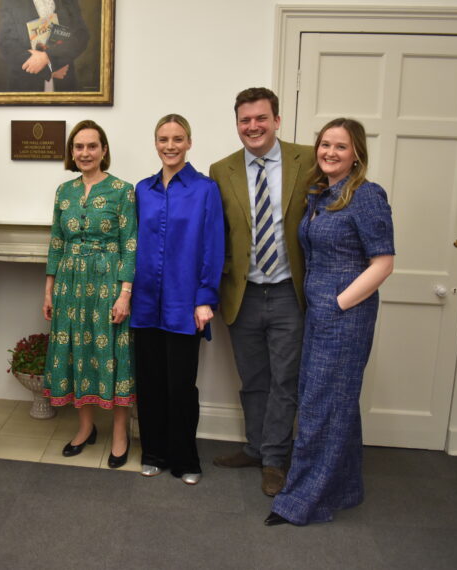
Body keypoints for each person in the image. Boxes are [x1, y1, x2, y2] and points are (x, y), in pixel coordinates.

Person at [266, 118, 395, 526]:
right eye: (325, 145)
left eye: (340, 147)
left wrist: (338, 303)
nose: (330, 153)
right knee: (335, 403)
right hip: (318, 312)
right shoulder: (321, 194)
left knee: (321, 407)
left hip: (345, 317)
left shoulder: (367, 196)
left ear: (356, 153)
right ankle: (344, 488)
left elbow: (384, 263)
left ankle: (301, 501)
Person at [209, 87, 315, 496]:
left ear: (276, 120)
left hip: (290, 291)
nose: (252, 126)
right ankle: (255, 447)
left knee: (284, 381)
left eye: (260, 118)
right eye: (244, 120)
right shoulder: (222, 170)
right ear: (237, 124)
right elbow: (217, 234)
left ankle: (274, 459)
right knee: (253, 378)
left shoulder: (307, 159)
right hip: (243, 293)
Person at [131, 114, 225, 485]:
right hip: (145, 303)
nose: (170, 145)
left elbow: (213, 246)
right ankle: (153, 452)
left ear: (189, 143)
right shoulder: (142, 189)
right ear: (155, 143)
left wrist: (205, 297)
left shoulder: (205, 189)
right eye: (163, 139)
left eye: (177, 139)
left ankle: (186, 459)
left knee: (181, 386)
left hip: (185, 305)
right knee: (150, 383)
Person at [42, 119, 136, 468]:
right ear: (72, 152)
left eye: (92, 146)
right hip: (69, 284)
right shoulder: (63, 192)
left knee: (114, 355)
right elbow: (55, 241)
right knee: (77, 352)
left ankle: (120, 434)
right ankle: (85, 428)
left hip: (107, 283)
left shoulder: (122, 190)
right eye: (78, 147)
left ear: (104, 150)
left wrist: (125, 293)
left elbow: (130, 244)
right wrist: (49, 290)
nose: (85, 152)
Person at [0, 0, 90, 92]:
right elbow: (6, 44)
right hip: (25, 85)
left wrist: (48, 57)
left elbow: (81, 36)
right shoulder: (11, 2)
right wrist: (49, 71)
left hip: (64, 82)